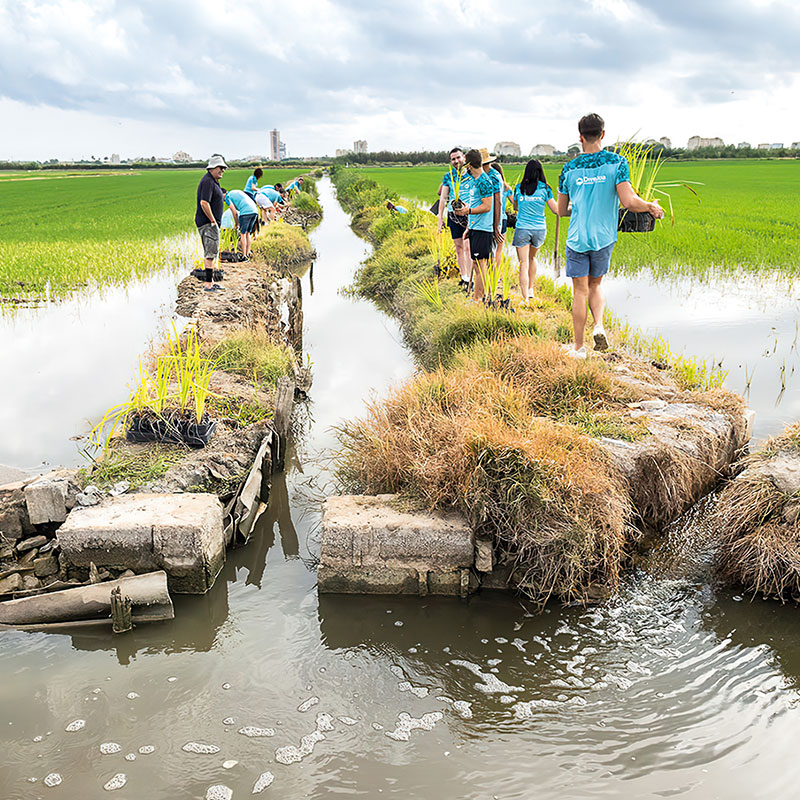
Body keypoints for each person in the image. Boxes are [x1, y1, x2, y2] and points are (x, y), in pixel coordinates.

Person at [558, 113, 664, 358]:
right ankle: (599, 326)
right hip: (603, 237)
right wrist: (650, 205)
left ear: (580, 137)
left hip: (577, 238)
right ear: (603, 134)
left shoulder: (569, 168)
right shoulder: (617, 162)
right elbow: (628, 201)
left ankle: (579, 348)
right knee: (596, 285)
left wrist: (580, 207)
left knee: (580, 291)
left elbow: (562, 211)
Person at [453, 148, 496, 303]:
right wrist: (469, 227)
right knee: (478, 266)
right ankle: (478, 297)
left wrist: (467, 211)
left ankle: (478, 299)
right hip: (475, 227)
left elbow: (487, 206)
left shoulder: (484, 181)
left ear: (469, 164)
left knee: (480, 266)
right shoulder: (475, 181)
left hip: (483, 229)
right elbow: (478, 203)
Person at [512, 159, 558, 305]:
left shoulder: (519, 188)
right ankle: (531, 290)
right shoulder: (546, 189)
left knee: (523, 262)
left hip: (523, 228)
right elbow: (555, 210)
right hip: (539, 229)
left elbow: (516, 208)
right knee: (532, 259)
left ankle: (525, 298)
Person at [437, 148, 473, 287]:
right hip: (453, 215)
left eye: (458, 157)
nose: (456, 161)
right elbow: (443, 198)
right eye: (453, 159)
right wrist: (440, 217)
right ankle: (463, 277)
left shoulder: (471, 174)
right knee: (459, 247)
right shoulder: (448, 176)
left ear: (463, 157)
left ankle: (470, 278)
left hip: (469, 214)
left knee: (468, 246)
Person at [195, 154, 227, 282]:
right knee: (210, 254)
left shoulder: (213, 181)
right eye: (220, 167)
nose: (222, 170)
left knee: (212, 252)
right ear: (212, 168)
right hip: (208, 223)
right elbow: (204, 202)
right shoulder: (207, 181)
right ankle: (209, 285)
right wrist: (213, 220)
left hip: (211, 223)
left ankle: (211, 282)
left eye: (223, 168)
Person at [488, 160, 512, 268]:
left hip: (489, 219)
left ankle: (489, 271)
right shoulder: (506, 188)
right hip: (502, 219)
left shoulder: (487, 186)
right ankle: (496, 275)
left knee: (490, 248)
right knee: (499, 248)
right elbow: (516, 204)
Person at [224, 189, 259, 260]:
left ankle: (244, 256)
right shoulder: (234, 192)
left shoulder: (227, 198)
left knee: (242, 234)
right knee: (248, 233)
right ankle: (248, 253)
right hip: (255, 211)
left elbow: (234, 212)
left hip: (245, 212)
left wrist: (237, 224)